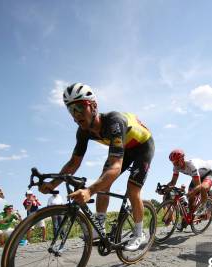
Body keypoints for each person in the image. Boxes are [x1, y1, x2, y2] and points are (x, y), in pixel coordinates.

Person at [39, 83, 154, 251]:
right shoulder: (83, 131)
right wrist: (53, 184)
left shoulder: (114, 122)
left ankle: (139, 233)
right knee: (103, 183)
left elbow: (115, 165)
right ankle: (99, 225)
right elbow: (74, 162)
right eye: (71, 110)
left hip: (142, 146)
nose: (76, 114)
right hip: (124, 148)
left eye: (79, 107)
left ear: (93, 106)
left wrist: (89, 191)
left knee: (132, 189)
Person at [166, 149, 212, 214]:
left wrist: (187, 195)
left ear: (182, 159)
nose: (175, 164)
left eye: (176, 162)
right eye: (173, 162)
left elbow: (198, 185)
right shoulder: (176, 167)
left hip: (208, 174)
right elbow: (173, 182)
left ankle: (204, 206)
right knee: (190, 200)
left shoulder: (191, 165)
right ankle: (190, 216)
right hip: (196, 177)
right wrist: (165, 188)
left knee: (202, 188)